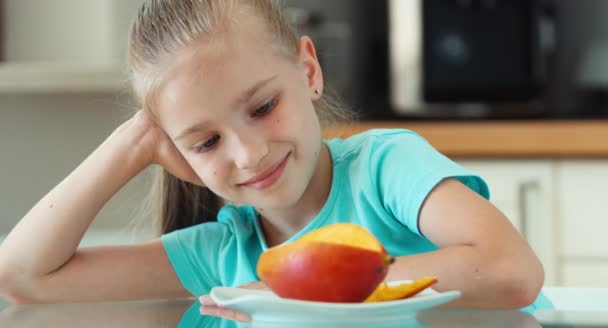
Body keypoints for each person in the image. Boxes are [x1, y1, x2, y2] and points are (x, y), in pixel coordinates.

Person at [0, 0, 552, 323]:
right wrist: (130, 144)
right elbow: (20, 277)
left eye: (263, 107)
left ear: (308, 71)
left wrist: (305, 291)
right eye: (206, 141)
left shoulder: (386, 170)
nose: (249, 153)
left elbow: (512, 272)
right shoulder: (224, 256)